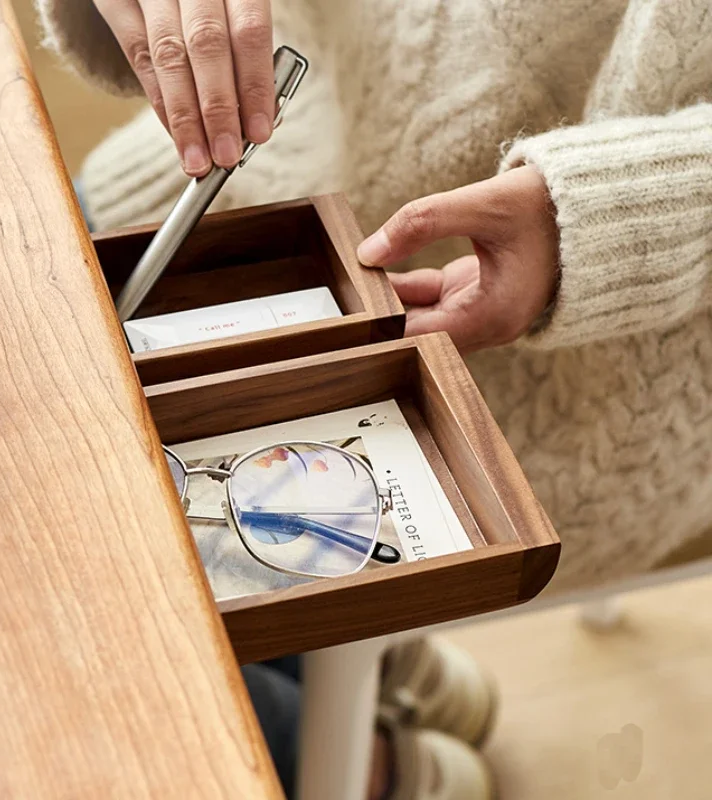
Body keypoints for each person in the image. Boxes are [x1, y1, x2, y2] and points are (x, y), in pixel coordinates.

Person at [37, 0, 712, 797]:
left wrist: (602, 216)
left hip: (557, 363)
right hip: (229, 191)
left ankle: (359, 754)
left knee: (54, 596)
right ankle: (354, 669)